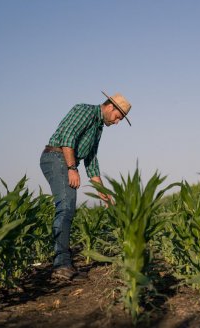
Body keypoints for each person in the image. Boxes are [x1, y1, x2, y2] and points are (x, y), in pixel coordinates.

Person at [40, 91, 132, 280]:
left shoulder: (98, 128)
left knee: (68, 209)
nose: (117, 122)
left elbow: (91, 161)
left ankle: (65, 263)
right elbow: (67, 136)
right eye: (118, 117)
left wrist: (104, 194)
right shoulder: (85, 111)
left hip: (64, 160)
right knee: (65, 208)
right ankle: (60, 266)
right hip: (56, 157)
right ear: (110, 106)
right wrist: (72, 167)